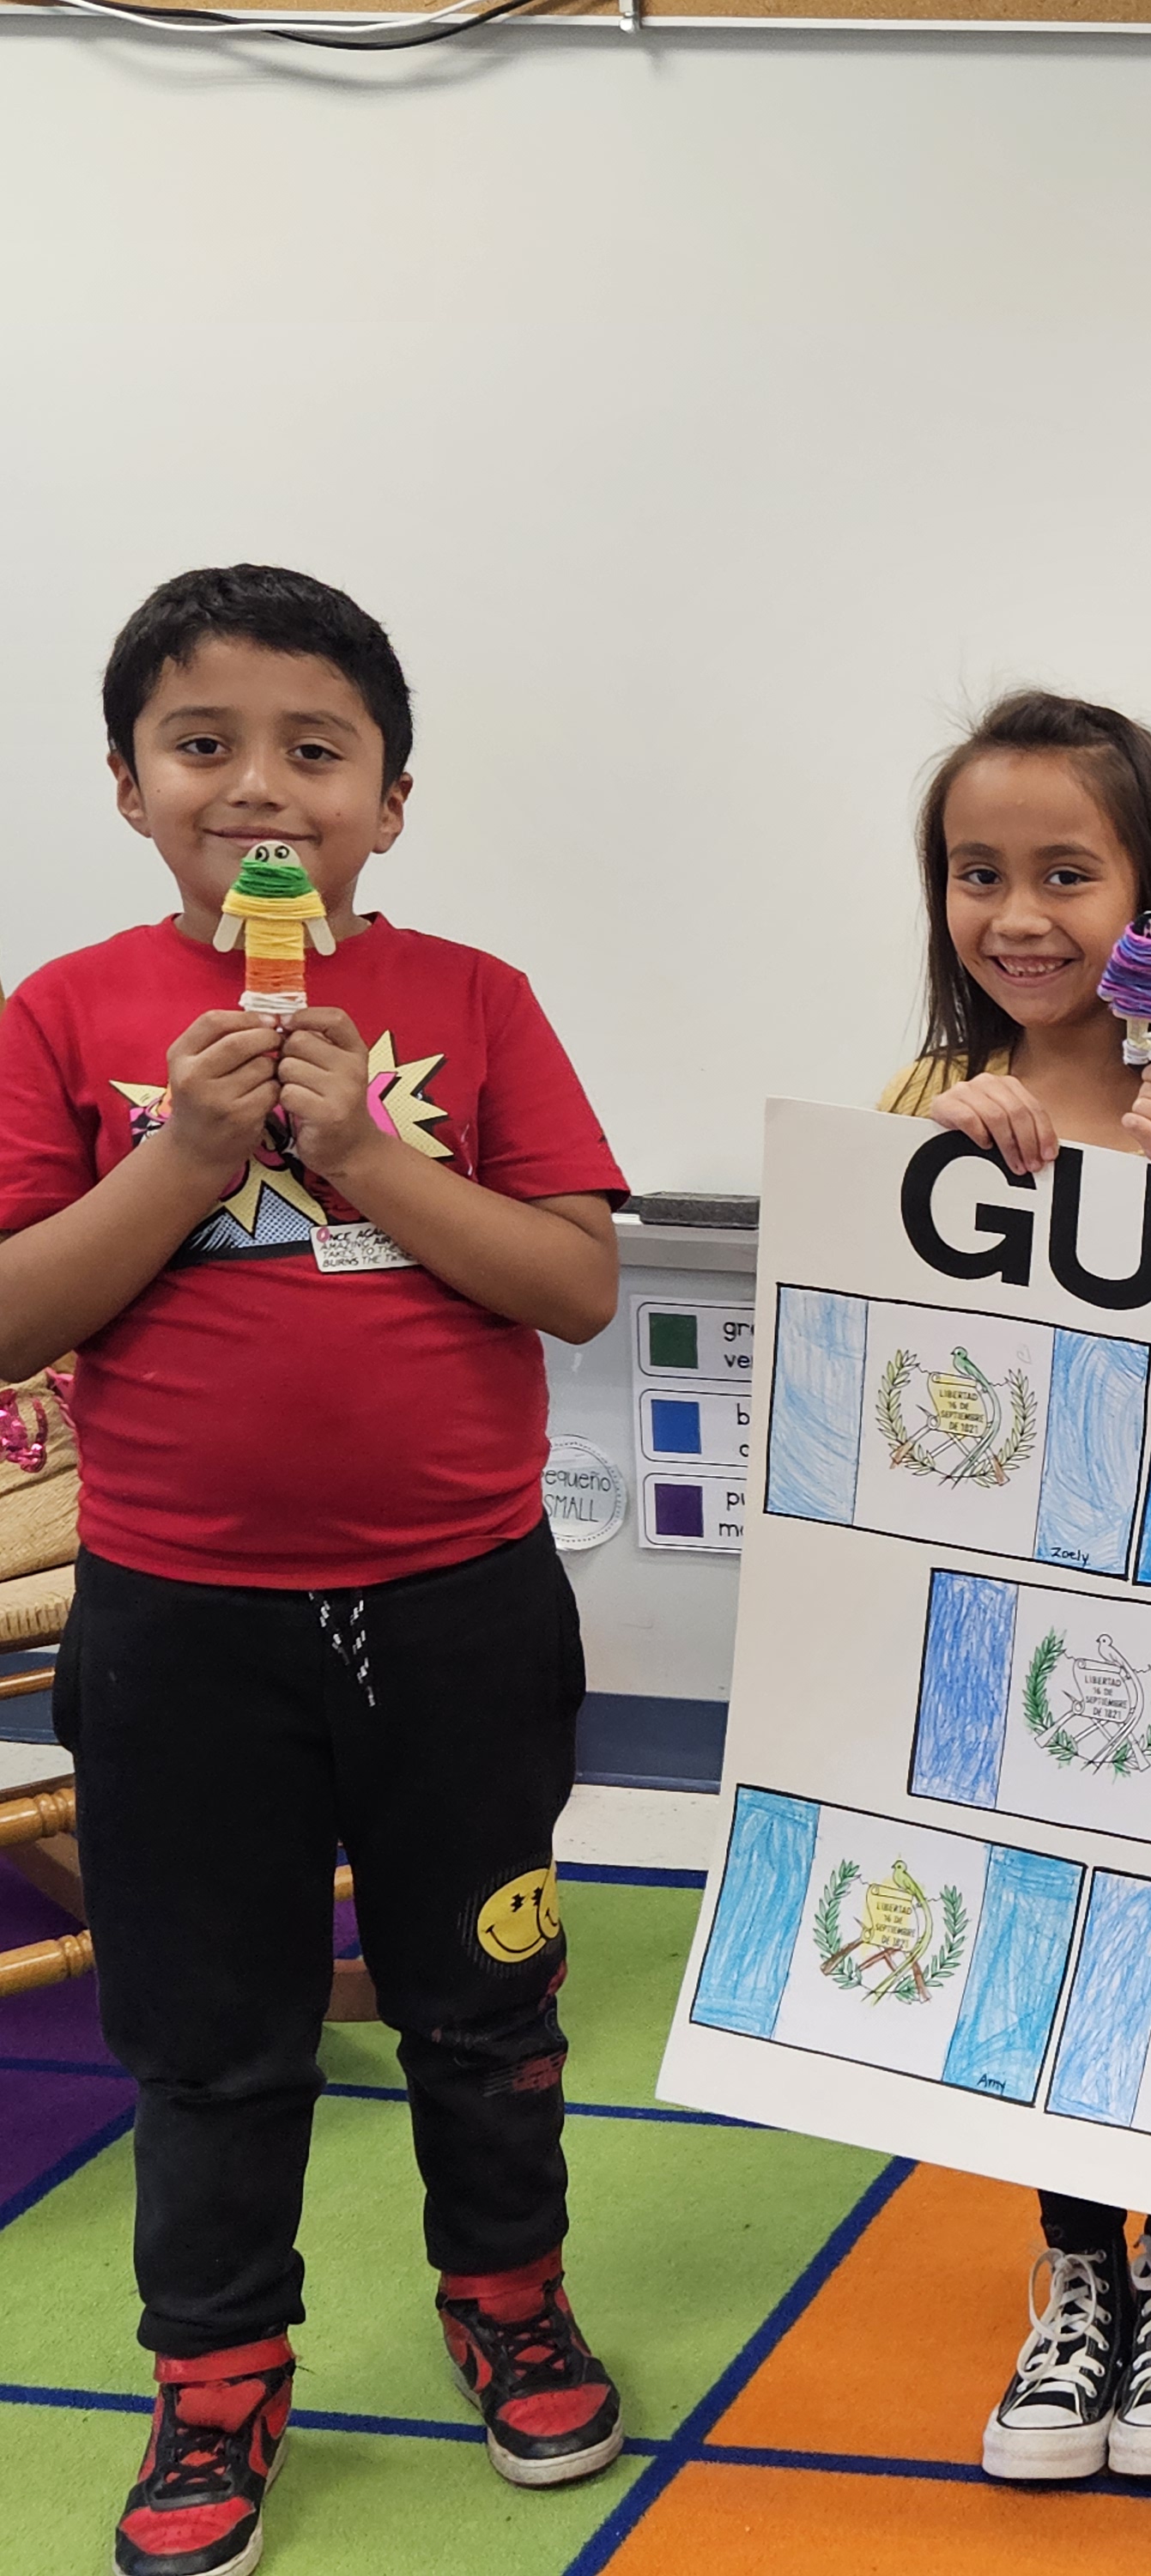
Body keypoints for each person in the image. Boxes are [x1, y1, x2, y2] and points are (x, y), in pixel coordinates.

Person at [0, 566, 634, 2576]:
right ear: (125, 784)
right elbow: (11, 1323)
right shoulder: (67, 1015)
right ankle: (212, 2378)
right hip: (181, 1620)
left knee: (489, 1995)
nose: (259, 791)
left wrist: (362, 1148)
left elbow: (578, 1285)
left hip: (460, 1605)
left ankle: (506, 2289)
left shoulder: (473, 1003)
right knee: (209, 2024)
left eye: (313, 751)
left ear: (391, 795)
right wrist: (182, 1157)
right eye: (205, 746)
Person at [874, 690, 1151, 2484]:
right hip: (1006, 1619)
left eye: (1066, 871)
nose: (1018, 915)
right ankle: (1074, 2272)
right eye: (979, 873)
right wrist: (940, 1172)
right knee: (1042, 1945)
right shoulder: (915, 1105)